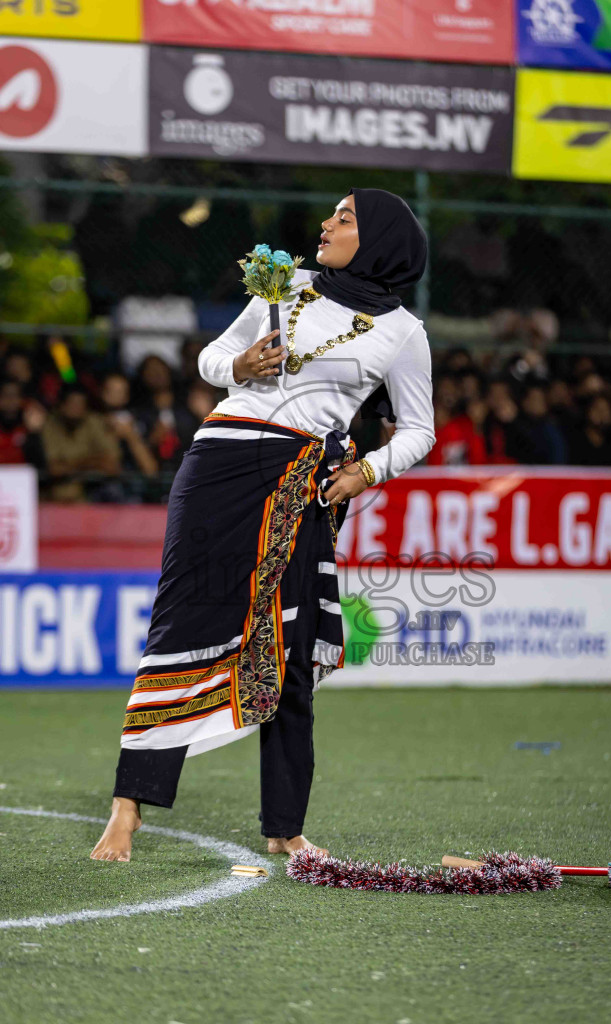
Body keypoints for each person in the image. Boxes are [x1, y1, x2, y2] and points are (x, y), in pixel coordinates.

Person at [91, 188, 435, 862]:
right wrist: (238, 366)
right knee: (183, 619)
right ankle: (126, 810)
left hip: (302, 482)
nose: (326, 224)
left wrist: (369, 469)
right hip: (219, 464)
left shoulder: (403, 332)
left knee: (293, 650)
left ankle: (285, 827)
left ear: (382, 239)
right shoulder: (287, 285)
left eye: (344, 217)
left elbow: (419, 428)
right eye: (330, 213)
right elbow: (210, 360)